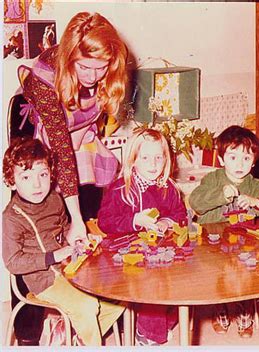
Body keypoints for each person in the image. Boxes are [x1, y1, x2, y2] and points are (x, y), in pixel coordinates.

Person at [2, 137, 125, 346]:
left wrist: (81, 239)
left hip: (69, 268)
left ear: (51, 174)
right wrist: (53, 256)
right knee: (87, 307)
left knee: (120, 295)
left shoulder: (54, 199)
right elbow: (13, 262)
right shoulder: (12, 217)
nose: (37, 184)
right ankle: (89, 340)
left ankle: (77, 337)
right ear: (11, 181)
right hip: (44, 281)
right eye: (26, 177)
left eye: (43, 174)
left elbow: (64, 229)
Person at [18, 11, 128, 243]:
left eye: (101, 68)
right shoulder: (44, 81)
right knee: (53, 204)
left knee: (90, 189)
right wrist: (76, 220)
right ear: (70, 60)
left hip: (76, 130)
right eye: (85, 68)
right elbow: (61, 150)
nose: (93, 76)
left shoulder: (107, 69)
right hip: (39, 131)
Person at [97, 128, 187, 345]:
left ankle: (160, 322)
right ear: (133, 160)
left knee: (182, 280)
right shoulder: (120, 189)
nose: (153, 164)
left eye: (158, 157)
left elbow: (180, 214)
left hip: (160, 251)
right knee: (151, 285)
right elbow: (105, 222)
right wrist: (135, 220)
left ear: (166, 159)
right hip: (126, 253)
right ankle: (148, 335)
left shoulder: (169, 188)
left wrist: (168, 222)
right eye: (145, 157)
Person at [189, 125, 259, 338]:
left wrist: (257, 201)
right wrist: (220, 195)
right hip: (213, 243)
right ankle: (221, 307)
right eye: (233, 157)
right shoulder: (213, 179)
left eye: (246, 159)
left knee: (246, 270)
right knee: (218, 272)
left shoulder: (254, 184)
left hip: (243, 243)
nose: (239, 164)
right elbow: (196, 202)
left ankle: (243, 308)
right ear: (221, 160)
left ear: (254, 162)